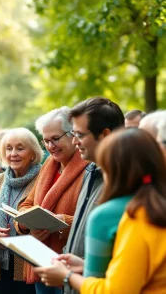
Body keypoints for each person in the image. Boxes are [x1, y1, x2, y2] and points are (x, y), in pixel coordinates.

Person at [35, 128, 166, 293]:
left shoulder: (138, 217)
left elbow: (114, 291)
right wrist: (85, 265)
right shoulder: (156, 207)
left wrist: (67, 276)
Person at [16, 107, 89, 294]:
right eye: (46, 141)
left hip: (71, 262)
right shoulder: (49, 164)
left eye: (55, 139)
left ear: (73, 134)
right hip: (41, 259)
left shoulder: (90, 168)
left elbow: (91, 218)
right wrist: (28, 225)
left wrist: (60, 222)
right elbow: (26, 204)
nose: (50, 146)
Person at [63, 97, 124, 294]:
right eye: (73, 133)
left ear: (105, 134)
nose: (74, 141)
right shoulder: (90, 170)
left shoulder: (124, 182)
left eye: (80, 135)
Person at [0, 127, 43, 294]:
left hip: (31, 263)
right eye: (9, 148)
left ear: (33, 154)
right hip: (0, 263)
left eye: (20, 148)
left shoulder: (43, 180)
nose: (13, 153)